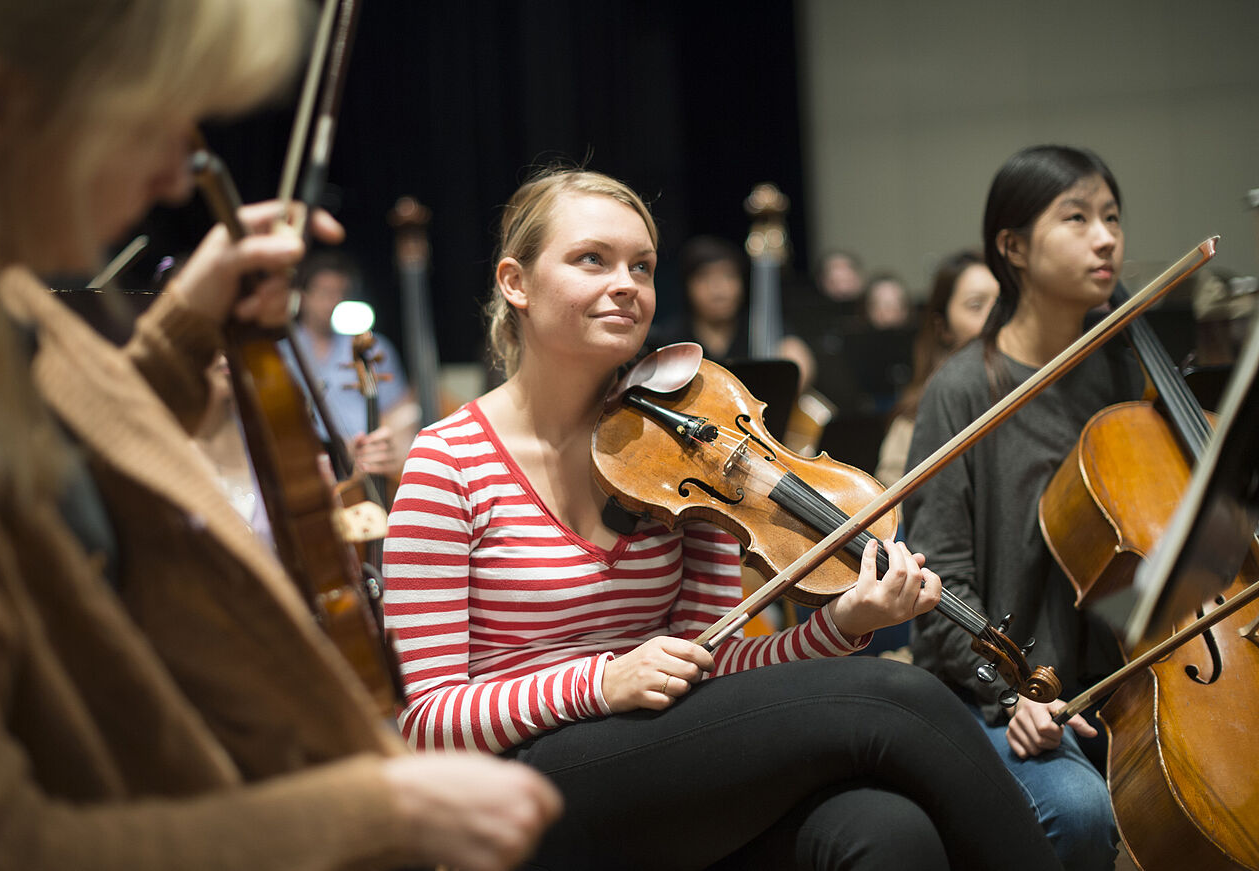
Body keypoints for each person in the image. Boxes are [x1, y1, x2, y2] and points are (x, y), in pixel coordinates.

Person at [0, 1, 561, 869]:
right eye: (156, 120)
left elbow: (67, 456)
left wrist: (191, 318)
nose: (177, 174)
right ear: (1, 110)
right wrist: (373, 812)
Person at [383, 167, 1065, 871]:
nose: (627, 284)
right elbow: (425, 719)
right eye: (593, 259)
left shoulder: (678, 445)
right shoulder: (449, 463)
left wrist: (844, 623)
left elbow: (716, 666)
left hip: (664, 763)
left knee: (885, 830)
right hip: (524, 784)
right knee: (896, 696)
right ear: (516, 283)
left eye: (642, 266)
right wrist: (602, 682)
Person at [904, 145, 1143, 871]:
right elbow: (937, 589)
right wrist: (1012, 695)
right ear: (1012, 247)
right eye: (1076, 218)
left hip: (1127, 681)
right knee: (1076, 808)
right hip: (1000, 698)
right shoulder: (961, 393)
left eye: (1111, 217)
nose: (1105, 237)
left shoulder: (1127, 370)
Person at [291, 248, 418, 480]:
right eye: (325, 292)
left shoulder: (372, 347)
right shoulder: (284, 351)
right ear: (303, 296)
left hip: (367, 466)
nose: (334, 301)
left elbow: (401, 409)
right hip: (306, 469)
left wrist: (382, 444)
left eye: (341, 293)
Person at [874, 250, 998, 483]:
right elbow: (895, 515)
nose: (995, 316)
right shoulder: (911, 424)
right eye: (976, 305)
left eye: (1001, 303)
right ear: (943, 327)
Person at [648, 234, 817, 392]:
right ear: (687, 286)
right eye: (704, 277)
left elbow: (798, 361)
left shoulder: (761, 327)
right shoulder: (670, 338)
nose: (718, 289)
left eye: (728, 276)